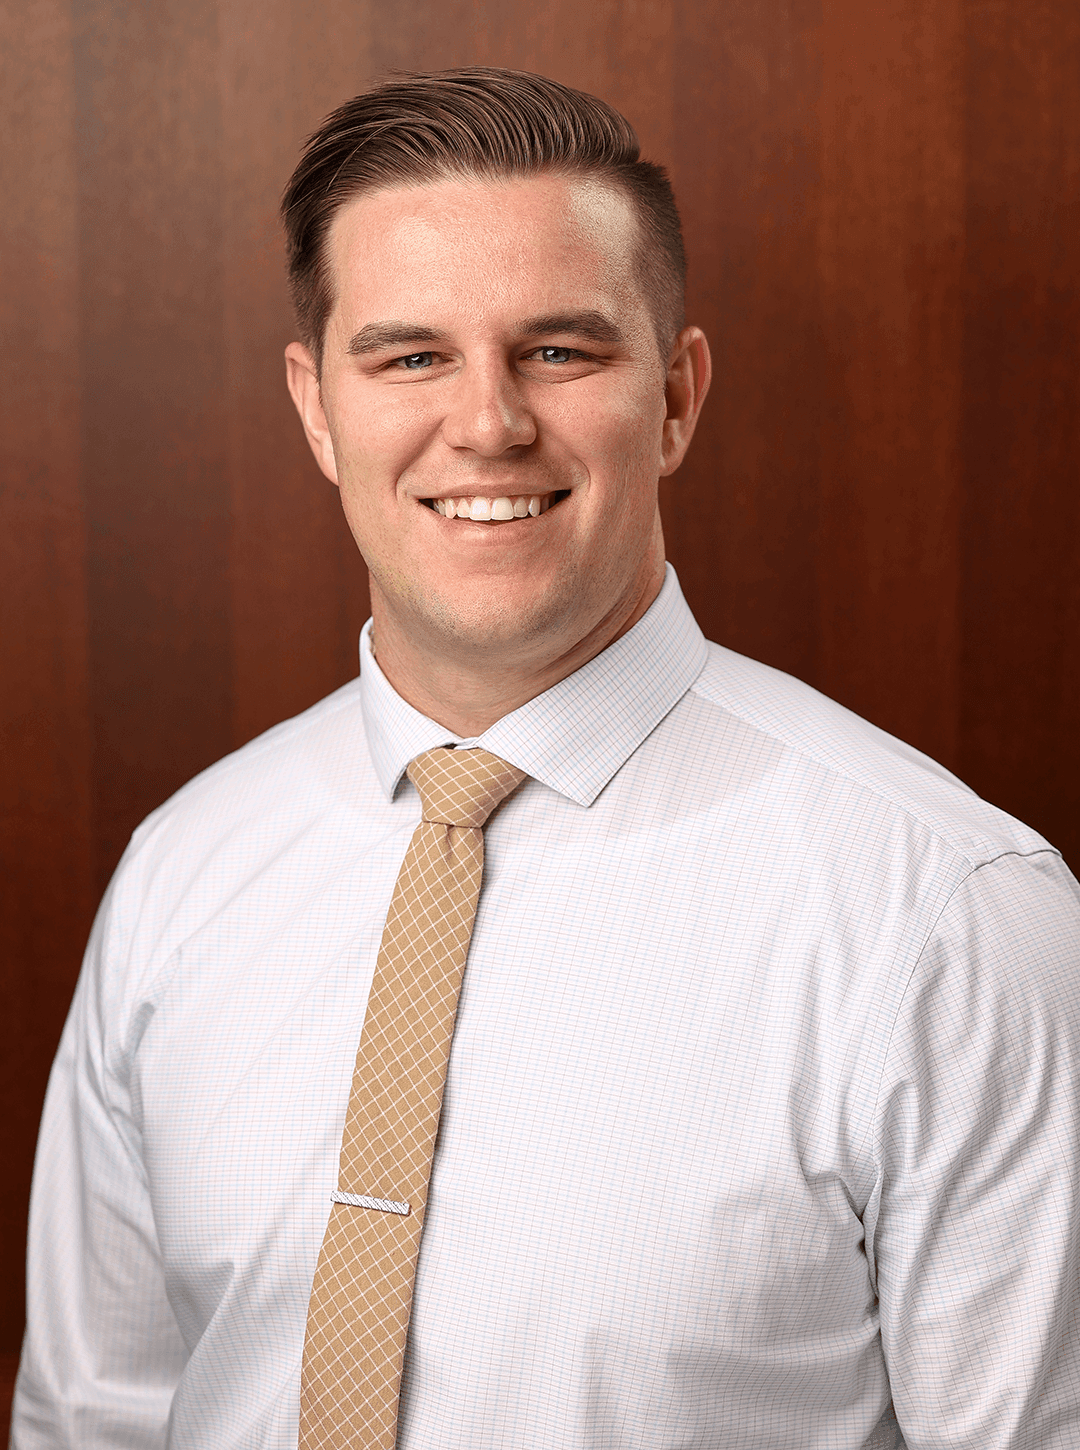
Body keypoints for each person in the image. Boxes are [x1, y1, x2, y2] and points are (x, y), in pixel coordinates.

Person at [12, 67, 1080, 1450]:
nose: (489, 423)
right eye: (410, 357)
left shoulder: (949, 914)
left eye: (562, 351)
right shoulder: (182, 874)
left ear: (680, 395)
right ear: (316, 408)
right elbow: (89, 1419)